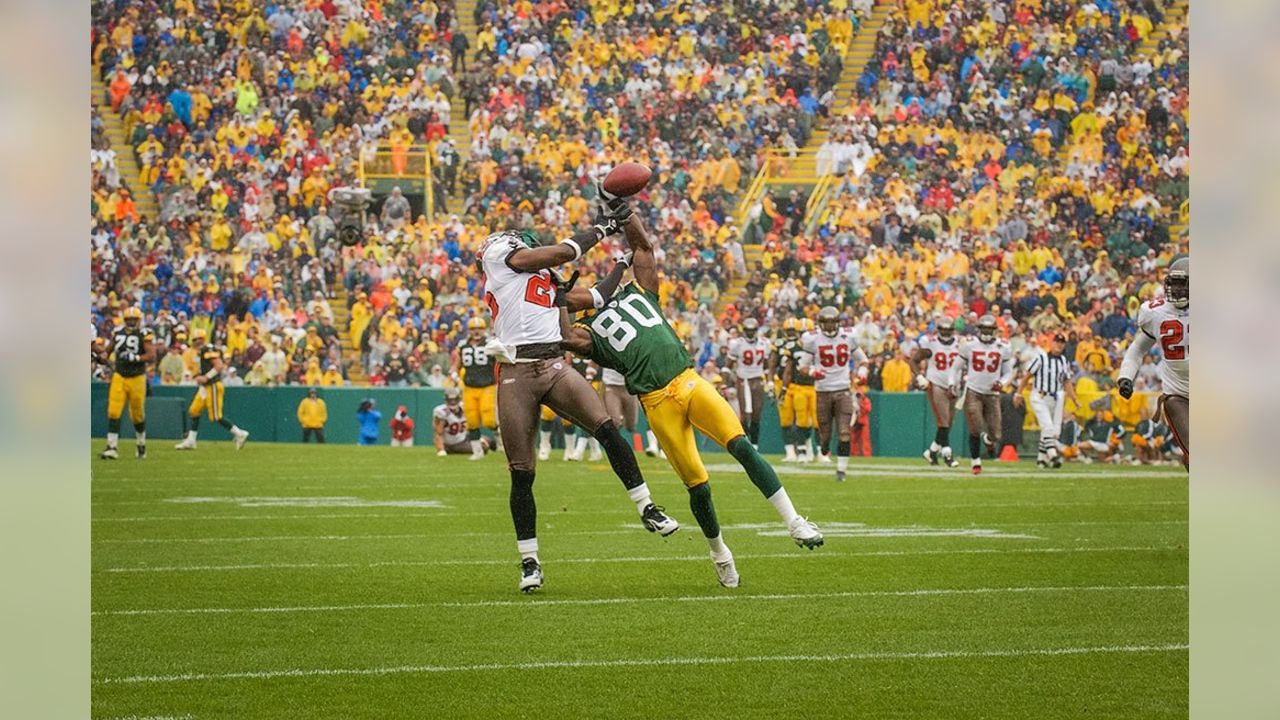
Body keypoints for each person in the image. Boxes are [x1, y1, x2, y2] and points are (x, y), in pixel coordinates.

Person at [558, 212, 824, 589]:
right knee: (698, 484)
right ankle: (720, 553)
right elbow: (565, 337)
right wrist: (556, 298)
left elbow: (643, 247)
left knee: (741, 446)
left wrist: (625, 213)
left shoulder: (638, 292)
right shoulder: (587, 331)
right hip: (657, 402)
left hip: (688, 381)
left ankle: (794, 521)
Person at [476, 197, 675, 593]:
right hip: (517, 372)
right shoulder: (504, 258)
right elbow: (565, 251)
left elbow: (598, 297)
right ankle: (529, 561)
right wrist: (601, 228)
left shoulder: (544, 279)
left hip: (553, 364)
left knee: (606, 426)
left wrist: (620, 262)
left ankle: (647, 507)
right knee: (522, 471)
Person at [1118, 257, 1189, 469]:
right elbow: (1138, 348)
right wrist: (1125, 376)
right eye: (1173, 283)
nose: (1176, 289)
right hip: (1178, 395)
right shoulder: (1155, 312)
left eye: (1182, 283)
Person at [800, 306, 868, 482]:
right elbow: (803, 367)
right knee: (825, 435)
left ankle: (841, 470)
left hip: (843, 390)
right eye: (826, 322)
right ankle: (823, 447)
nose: (829, 326)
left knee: (845, 431)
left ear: (838, 322)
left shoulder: (848, 337)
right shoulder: (813, 339)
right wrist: (812, 372)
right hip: (822, 392)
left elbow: (863, 361)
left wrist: (862, 373)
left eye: (832, 322)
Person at [950, 314, 1015, 475]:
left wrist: (1002, 383)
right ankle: (976, 462)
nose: (986, 332)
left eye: (989, 329)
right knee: (976, 427)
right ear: (979, 329)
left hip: (992, 394)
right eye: (984, 329)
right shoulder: (969, 344)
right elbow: (956, 367)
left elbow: (1008, 373)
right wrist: (953, 383)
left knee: (996, 434)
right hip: (974, 392)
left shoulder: (1003, 346)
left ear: (994, 330)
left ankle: (988, 440)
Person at [174, 328, 250, 450]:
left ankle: (239, 433)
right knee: (194, 410)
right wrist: (198, 375)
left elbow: (219, 365)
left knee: (215, 416)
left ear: (202, 339)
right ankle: (191, 441)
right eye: (194, 340)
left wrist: (206, 377)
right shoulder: (201, 351)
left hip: (213, 386)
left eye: (197, 339)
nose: (194, 342)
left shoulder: (207, 348)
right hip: (205, 387)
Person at [1014, 333, 1079, 469]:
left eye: (1061, 343)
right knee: (1048, 426)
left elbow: (1067, 381)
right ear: (1052, 343)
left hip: (1056, 397)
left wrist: (1074, 399)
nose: (1059, 345)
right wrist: (1018, 393)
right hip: (1040, 396)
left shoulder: (1063, 361)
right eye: (1056, 342)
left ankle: (1041, 459)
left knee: (1053, 431)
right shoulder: (1041, 358)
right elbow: (1027, 376)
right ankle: (1053, 455)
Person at [99, 306, 155, 459]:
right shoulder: (117, 332)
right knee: (113, 410)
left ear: (139, 320)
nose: (131, 322)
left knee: (137, 414)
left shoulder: (145, 333)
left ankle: (141, 443)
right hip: (120, 375)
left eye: (134, 320)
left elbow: (151, 355)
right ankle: (111, 447)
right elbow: (107, 351)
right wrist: (101, 356)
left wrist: (136, 358)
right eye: (128, 320)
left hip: (137, 377)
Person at [911, 316, 961, 467]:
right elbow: (914, 360)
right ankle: (947, 455)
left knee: (948, 424)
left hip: (954, 385)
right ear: (938, 330)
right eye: (943, 331)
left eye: (948, 331)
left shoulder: (961, 343)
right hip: (936, 383)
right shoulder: (930, 343)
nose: (946, 334)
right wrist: (919, 376)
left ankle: (932, 452)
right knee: (944, 421)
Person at [453, 316, 499, 459]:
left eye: (479, 328)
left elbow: (498, 363)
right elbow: (457, 363)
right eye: (473, 329)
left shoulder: (490, 343)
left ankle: (499, 433)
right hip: (469, 386)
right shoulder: (463, 345)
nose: (476, 331)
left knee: (488, 419)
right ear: (469, 330)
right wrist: (454, 373)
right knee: (472, 420)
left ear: (483, 329)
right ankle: (477, 452)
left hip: (487, 385)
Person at [775, 318, 818, 462]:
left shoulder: (819, 345)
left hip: (814, 386)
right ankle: (797, 451)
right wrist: (783, 388)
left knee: (814, 420)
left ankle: (813, 450)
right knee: (795, 419)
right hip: (795, 386)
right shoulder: (789, 346)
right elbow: (785, 369)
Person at [727, 317, 771, 448]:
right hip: (743, 379)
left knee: (757, 414)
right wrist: (723, 381)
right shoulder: (737, 343)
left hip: (758, 379)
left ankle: (755, 444)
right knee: (745, 414)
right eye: (748, 330)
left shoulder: (765, 343)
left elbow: (767, 366)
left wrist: (770, 382)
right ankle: (746, 443)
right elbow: (728, 364)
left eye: (752, 330)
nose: (750, 333)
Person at [602, 365, 661, 458]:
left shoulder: (631, 350)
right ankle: (616, 450)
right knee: (614, 421)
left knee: (631, 426)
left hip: (629, 388)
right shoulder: (606, 350)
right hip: (611, 386)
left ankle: (621, 419)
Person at [435, 388, 489, 456]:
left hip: (464, 438)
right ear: (446, 400)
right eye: (450, 400)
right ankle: (450, 450)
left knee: (488, 440)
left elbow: (468, 428)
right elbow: (438, 433)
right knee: (483, 448)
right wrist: (441, 450)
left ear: (459, 399)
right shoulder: (441, 412)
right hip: (453, 444)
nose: (453, 402)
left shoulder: (464, 407)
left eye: (455, 400)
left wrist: (478, 439)